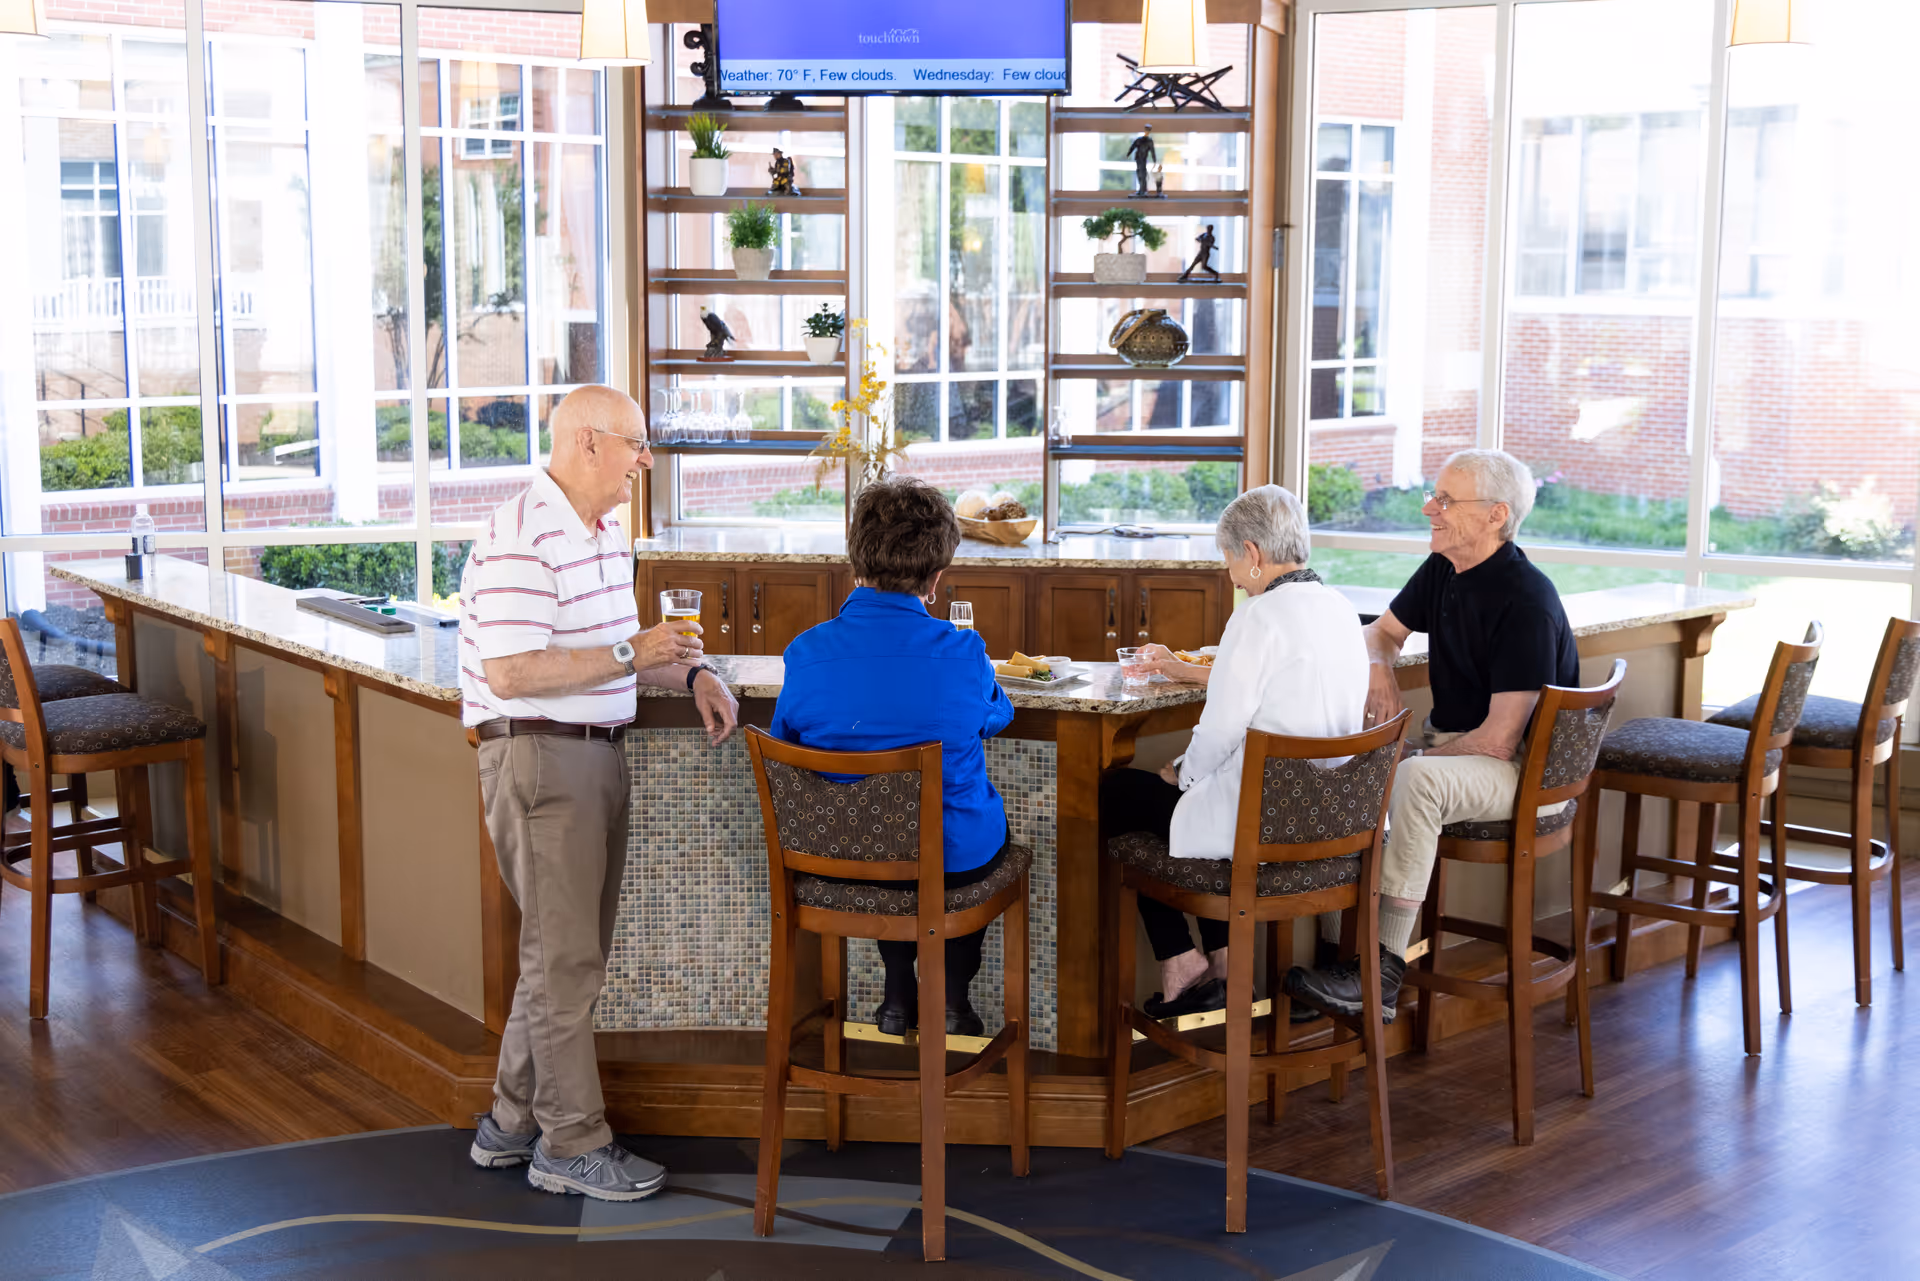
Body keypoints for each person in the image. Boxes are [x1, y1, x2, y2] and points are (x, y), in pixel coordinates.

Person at [460, 385, 740, 1201]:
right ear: (587, 442)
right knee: (566, 958)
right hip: (542, 757)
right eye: (636, 444)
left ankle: (510, 1123)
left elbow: (612, 654)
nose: (645, 460)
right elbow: (512, 672)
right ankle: (571, 1143)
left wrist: (688, 670)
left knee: (561, 954)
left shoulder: (604, 531)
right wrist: (633, 648)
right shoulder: (521, 533)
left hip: (590, 756)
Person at [1284, 448, 1578, 1023]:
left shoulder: (1527, 601)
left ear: (1496, 515)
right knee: (1343, 770)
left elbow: (1498, 739)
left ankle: (1380, 974)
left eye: (1445, 500)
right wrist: (1381, 670)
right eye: (1433, 494)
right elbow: (1379, 634)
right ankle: (1339, 962)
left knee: (1416, 779)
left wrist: (1414, 754)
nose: (1428, 508)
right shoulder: (1445, 567)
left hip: (1522, 768)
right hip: (1465, 751)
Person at [1100, 485, 1368, 1017]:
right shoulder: (1341, 610)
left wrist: (1181, 773)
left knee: (1117, 792)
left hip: (1262, 825)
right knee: (1180, 802)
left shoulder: (1257, 616)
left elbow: (1221, 728)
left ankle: (1181, 960)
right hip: (1332, 822)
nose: (1228, 574)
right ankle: (1225, 968)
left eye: (1227, 559)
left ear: (1251, 553)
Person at [770, 476, 1014, 1038]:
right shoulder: (963, 651)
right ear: (936, 577)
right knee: (943, 838)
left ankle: (898, 989)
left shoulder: (805, 652)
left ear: (856, 561)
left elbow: (788, 741)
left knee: (880, 827)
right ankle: (954, 992)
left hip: (840, 855)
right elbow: (995, 717)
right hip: (952, 863)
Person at [1127, 124, 1156, 197]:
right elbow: (1132, 147)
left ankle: (1143, 190)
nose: (1147, 131)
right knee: (1139, 173)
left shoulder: (1149, 141)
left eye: (1148, 130)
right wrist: (1128, 154)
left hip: (1143, 159)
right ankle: (1141, 189)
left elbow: (1152, 151)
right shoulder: (1139, 140)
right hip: (1138, 158)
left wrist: (1154, 160)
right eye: (1146, 129)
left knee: (1143, 174)